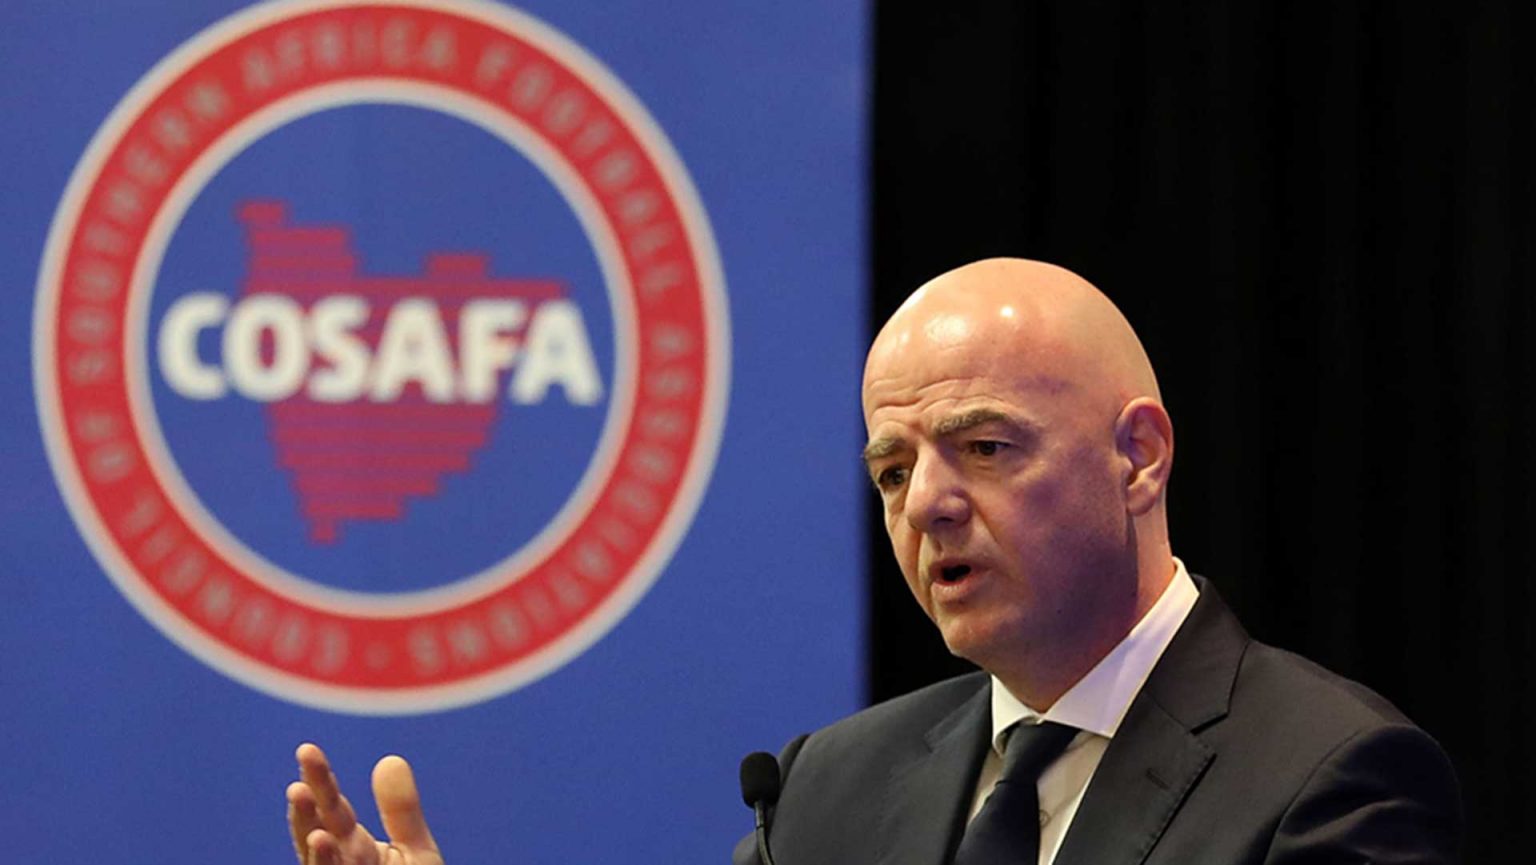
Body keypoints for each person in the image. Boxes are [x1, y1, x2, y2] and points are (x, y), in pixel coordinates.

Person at [286, 258, 1462, 865]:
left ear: (1139, 457)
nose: (929, 504)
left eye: (984, 448)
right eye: (894, 470)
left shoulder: (1327, 776)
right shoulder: (830, 789)